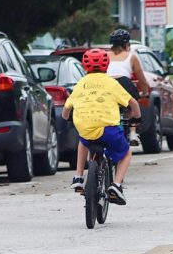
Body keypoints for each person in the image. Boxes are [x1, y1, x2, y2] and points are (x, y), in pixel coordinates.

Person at [63, 48, 142, 205]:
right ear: (107, 65)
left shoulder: (80, 84)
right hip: (108, 129)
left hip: (85, 128)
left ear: (85, 67)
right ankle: (116, 186)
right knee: (126, 153)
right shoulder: (112, 83)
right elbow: (133, 102)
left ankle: (78, 177)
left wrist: (66, 118)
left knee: (83, 140)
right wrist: (137, 118)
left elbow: (66, 109)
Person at [105, 28, 150, 146]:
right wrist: (144, 93)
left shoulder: (104, 55)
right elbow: (142, 80)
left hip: (106, 84)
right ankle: (132, 132)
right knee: (132, 105)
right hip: (124, 83)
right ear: (126, 44)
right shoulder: (131, 57)